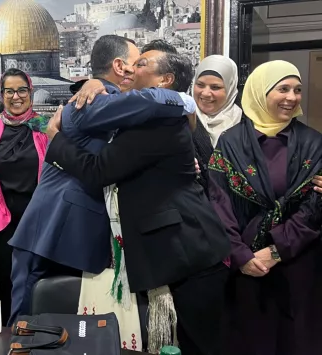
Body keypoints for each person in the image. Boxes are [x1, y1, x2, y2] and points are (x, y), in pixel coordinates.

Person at [44, 47, 230, 355]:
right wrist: (94, 83)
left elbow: (99, 170)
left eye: (141, 64)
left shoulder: (159, 121)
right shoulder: (152, 114)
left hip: (187, 253)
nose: (130, 69)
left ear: (165, 80)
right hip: (175, 252)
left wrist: (55, 141)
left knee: (196, 344)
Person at [8, 35, 195, 325]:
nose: (137, 71)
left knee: (62, 327)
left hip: (74, 234)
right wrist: (183, 98)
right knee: (27, 324)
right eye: (136, 63)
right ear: (120, 66)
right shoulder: (92, 100)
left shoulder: (109, 99)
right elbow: (150, 103)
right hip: (53, 229)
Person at [208, 60, 322, 355]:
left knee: (295, 341)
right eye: (283, 88)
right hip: (246, 269)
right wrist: (241, 254)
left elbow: (314, 208)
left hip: (296, 265)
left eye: (297, 90)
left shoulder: (314, 144)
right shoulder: (231, 143)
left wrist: (275, 251)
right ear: (260, 92)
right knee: (247, 340)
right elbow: (217, 203)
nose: (292, 97)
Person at [0, 68, 49, 326]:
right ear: (1, 94)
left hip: (37, 212)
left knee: (37, 276)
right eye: (9, 91)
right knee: (7, 277)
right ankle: (9, 332)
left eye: (22, 90)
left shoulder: (42, 125)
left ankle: (37, 330)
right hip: (2, 212)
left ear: (30, 93)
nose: (16, 96)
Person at [191, 55, 242, 193]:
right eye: (200, 85)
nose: (206, 93)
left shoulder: (245, 123)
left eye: (215, 87)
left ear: (230, 88)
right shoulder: (181, 118)